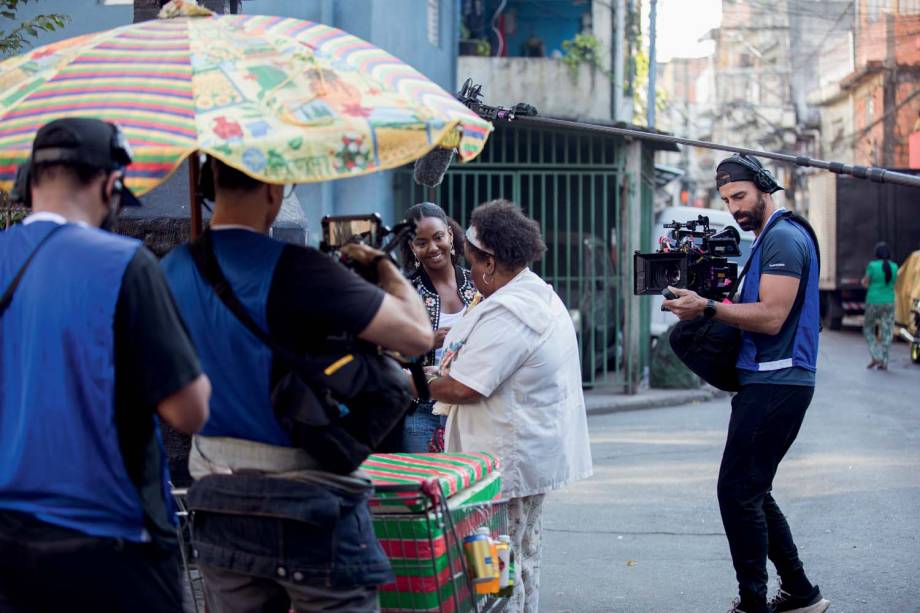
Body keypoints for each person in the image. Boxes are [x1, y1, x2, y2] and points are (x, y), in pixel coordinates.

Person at [161, 156, 433, 612]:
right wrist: (385, 267)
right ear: (273, 191)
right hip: (308, 505)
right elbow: (416, 335)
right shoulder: (298, 267)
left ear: (209, 188)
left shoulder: (170, 268)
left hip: (218, 499)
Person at [0, 118, 211, 612]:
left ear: (28, 180)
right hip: (112, 539)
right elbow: (189, 411)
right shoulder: (124, 262)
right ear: (111, 184)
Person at [664, 154, 829, 613]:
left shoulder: (783, 239)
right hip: (765, 379)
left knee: (737, 492)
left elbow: (772, 317)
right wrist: (704, 299)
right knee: (751, 490)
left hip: (779, 380)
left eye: (739, 195)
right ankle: (800, 592)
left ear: (764, 187)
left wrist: (708, 308)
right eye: (726, 200)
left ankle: (754, 603)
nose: (734, 207)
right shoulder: (766, 240)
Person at [423, 199, 593, 613]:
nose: (470, 273)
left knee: (496, 565)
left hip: (504, 466)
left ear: (490, 263)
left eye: (472, 262)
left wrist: (416, 382)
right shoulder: (532, 295)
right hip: (517, 458)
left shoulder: (514, 312)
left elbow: (464, 388)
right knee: (520, 557)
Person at [400, 202, 477, 452]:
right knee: (425, 477)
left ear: (450, 236)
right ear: (412, 247)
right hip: (423, 410)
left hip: (470, 406)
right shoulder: (405, 291)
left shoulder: (477, 284)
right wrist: (425, 342)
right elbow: (386, 353)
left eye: (438, 237)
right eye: (421, 242)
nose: (432, 247)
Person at [862, 242, 898, 370]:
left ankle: (875, 355)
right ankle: (884, 360)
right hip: (889, 301)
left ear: (876, 254)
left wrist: (864, 283)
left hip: (873, 301)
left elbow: (866, 282)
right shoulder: (894, 266)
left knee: (868, 328)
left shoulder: (872, 266)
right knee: (887, 330)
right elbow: (894, 284)